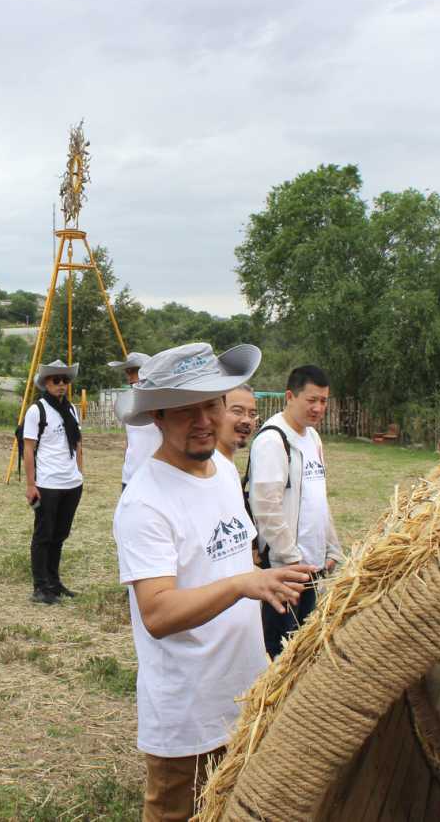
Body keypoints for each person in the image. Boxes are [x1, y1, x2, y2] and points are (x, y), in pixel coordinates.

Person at [113, 343, 312, 822]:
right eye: (184, 410)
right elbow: (157, 614)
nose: (202, 419)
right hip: (188, 712)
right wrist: (245, 585)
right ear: (157, 416)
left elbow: (233, 554)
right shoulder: (146, 503)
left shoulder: (222, 470)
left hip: (242, 692)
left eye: (210, 403)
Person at [247, 364, 343, 659]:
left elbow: (318, 498)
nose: (318, 408)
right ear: (290, 396)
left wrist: (332, 548)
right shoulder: (273, 440)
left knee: (305, 647)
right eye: (311, 400)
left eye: (324, 401)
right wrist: (291, 559)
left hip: (312, 566)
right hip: (286, 569)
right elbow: (266, 508)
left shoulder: (313, 438)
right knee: (281, 651)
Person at [23, 359, 84, 605]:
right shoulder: (37, 410)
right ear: (46, 383)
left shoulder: (71, 410)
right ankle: (40, 586)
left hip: (71, 483)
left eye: (65, 380)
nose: (61, 385)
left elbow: (78, 443)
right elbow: (28, 449)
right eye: (56, 380)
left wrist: (80, 473)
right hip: (48, 483)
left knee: (60, 535)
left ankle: (54, 582)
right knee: (43, 535)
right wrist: (31, 484)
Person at [109, 351, 162, 490]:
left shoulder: (163, 403)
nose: (130, 377)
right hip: (130, 477)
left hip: (157, 478)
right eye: (128, 372)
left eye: (134, 371)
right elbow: (130, 440)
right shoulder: (127, 404)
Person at [215, 383, 257, 462]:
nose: (247, 420)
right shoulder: (205, 469)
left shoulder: (226, 465)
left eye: (252, 414)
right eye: (237, 411)